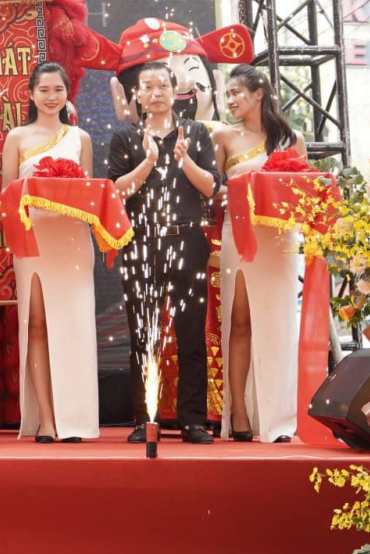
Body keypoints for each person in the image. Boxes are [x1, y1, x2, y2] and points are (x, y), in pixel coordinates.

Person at [108, 61, 221, 446]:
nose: (156, 93)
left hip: (187, 241)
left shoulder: (196, 132)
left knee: (191, 335)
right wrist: (149, 162)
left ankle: (193, 421)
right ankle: (146, 419)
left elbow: (211, 187)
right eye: (148, 87)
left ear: (175, 93)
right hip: (141, 243)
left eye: (163, 86)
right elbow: (117, 191)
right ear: (137, 95)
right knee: (144, 335)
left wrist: (183, 160)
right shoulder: (125, 136)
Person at [0, 61, 98, 444]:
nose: (51, 97)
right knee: (37, 324)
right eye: (44, 90)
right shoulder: (17, 137)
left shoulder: (80, 138)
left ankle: (75, 419)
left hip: (73, 240)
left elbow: (89, 194)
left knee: (74, 326)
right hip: (34, 239)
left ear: (67, 93)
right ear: (30, 94)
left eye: (58, 89)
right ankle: (46, 419)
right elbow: (7, 197)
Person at [214, 64, 307, 444]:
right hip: (238, 235)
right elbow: (214, 190)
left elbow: (303, 192)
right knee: (239, 322)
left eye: (237, 92)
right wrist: (235, 193)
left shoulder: (291, 139)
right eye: (228, 94)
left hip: (281, 240)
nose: (231, 100)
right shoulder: (223, 136)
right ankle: (239, 412)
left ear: (258, 94)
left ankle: (277, 418)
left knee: (277, 325)